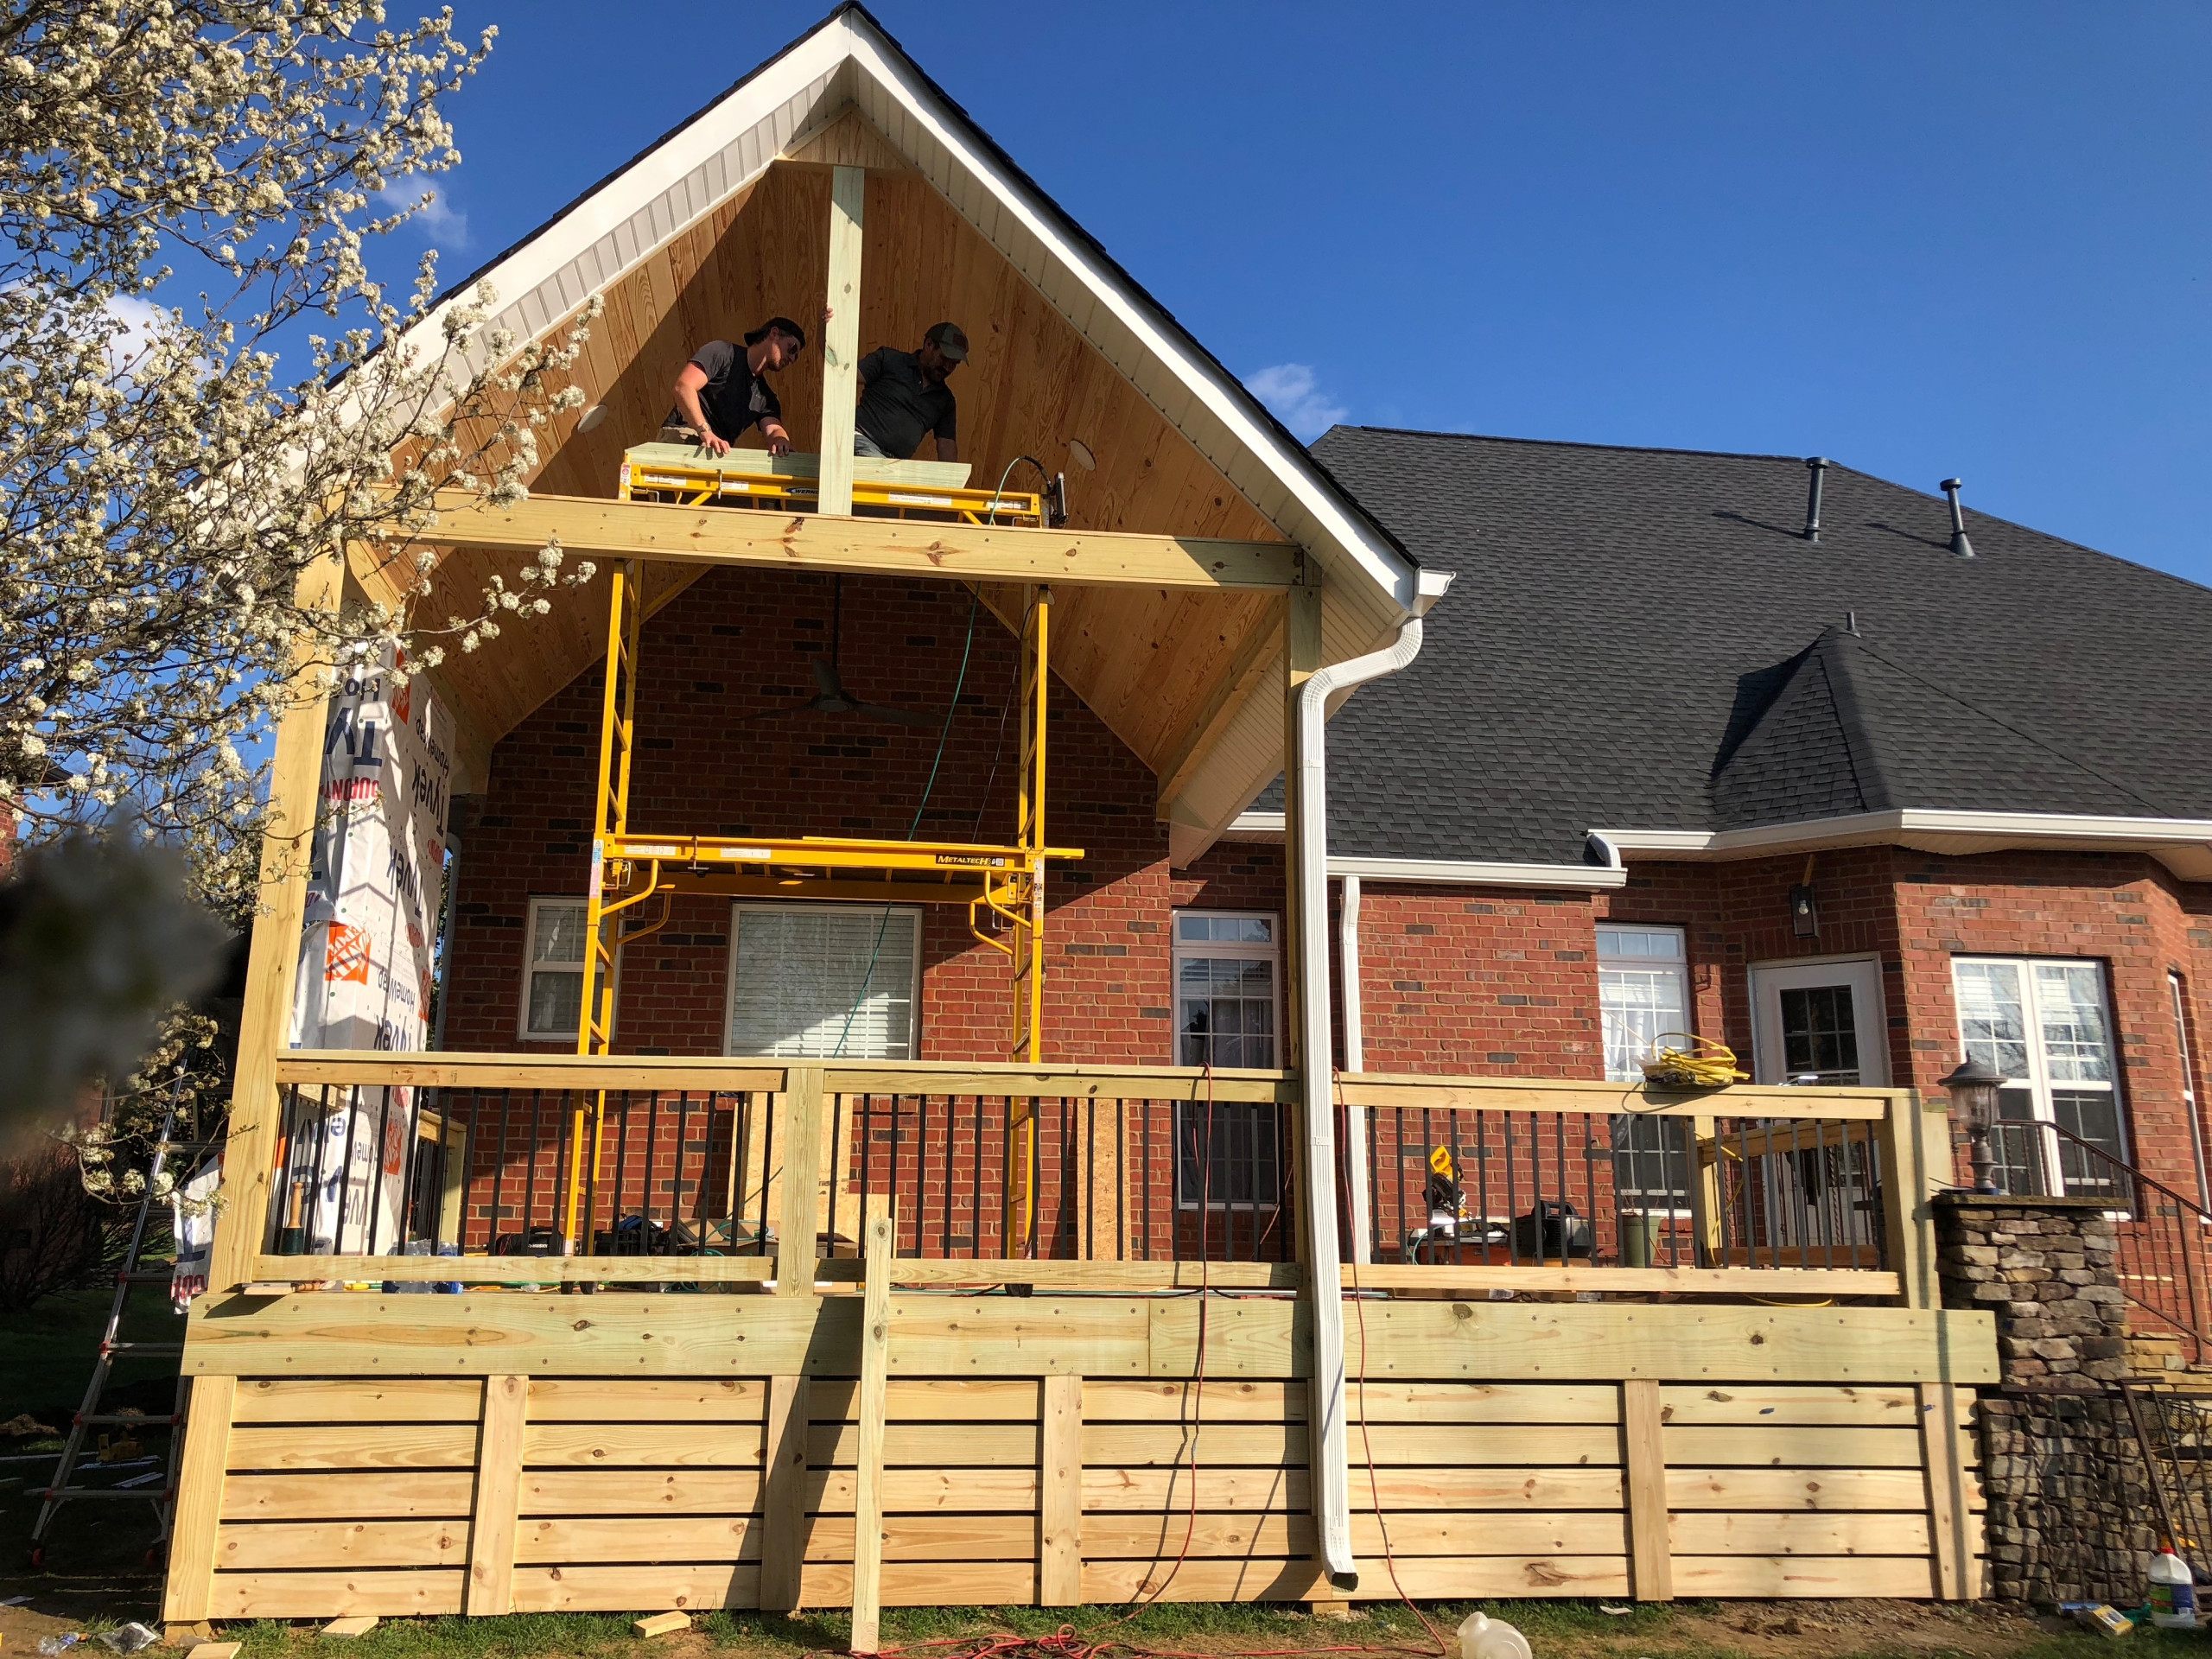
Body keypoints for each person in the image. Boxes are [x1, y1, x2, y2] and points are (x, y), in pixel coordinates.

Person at [660, 317, 807, 456]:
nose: (792, 359)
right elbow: (684, 387)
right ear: (774, 333)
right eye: (792, 348)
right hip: (684, 436)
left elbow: (773, 429)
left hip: (717, 451)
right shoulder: (724, 352)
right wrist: (704, 430)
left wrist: (781, 441)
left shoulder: (766, 398)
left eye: (796, 357)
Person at [853, 321, 965, 462]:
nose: (948, 368)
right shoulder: (889, 359)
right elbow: (843, 373)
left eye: (954, 364)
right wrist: (825, 332)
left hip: (895, 464)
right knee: (878, 471)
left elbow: (947, 446)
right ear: (929, 345)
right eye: (944, 359)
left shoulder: (945, 400)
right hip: (860, 441)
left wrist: (952, 481)